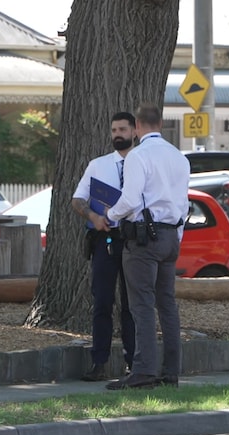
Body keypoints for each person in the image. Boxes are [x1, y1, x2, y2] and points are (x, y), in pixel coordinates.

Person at [104, 103, 190, 390]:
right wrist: (176, 237)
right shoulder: (179, 157)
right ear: (161, 125)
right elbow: (183, 204)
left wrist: (110, 215)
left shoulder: (137, 156)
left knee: (141, 305)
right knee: (167, 305)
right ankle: (172, 371)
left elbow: (129, 200)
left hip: (142, 238)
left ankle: (143, 371)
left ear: (137, 127)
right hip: (170, 236)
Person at [70, 111, 137, 381]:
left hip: (133, 241)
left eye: (122, 129)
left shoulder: (144, 163)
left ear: (134, 132)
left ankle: (135, 363)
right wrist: (93, 216)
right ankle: (99, 362)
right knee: (102, 302)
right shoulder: (98, 165)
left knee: (132, 305)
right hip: (104, 240)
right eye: (113, 130)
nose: (117, 134)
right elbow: (78, 199)